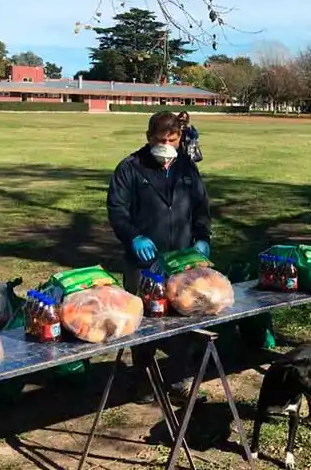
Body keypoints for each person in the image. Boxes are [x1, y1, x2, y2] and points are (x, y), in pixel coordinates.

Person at [107, 111, 212, 403]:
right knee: (143, 320)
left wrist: (203, 237)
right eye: (160, 140)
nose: (166, 145)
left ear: (180, 139)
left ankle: (179, 380)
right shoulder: (130, 168)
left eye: (172, 140)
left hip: (181, 259)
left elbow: (201, 207)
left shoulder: (186, 168)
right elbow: (117, 209)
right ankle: (143, 382)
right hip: (143, 261)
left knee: (181, 316)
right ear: (149, 137)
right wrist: (132, 236)